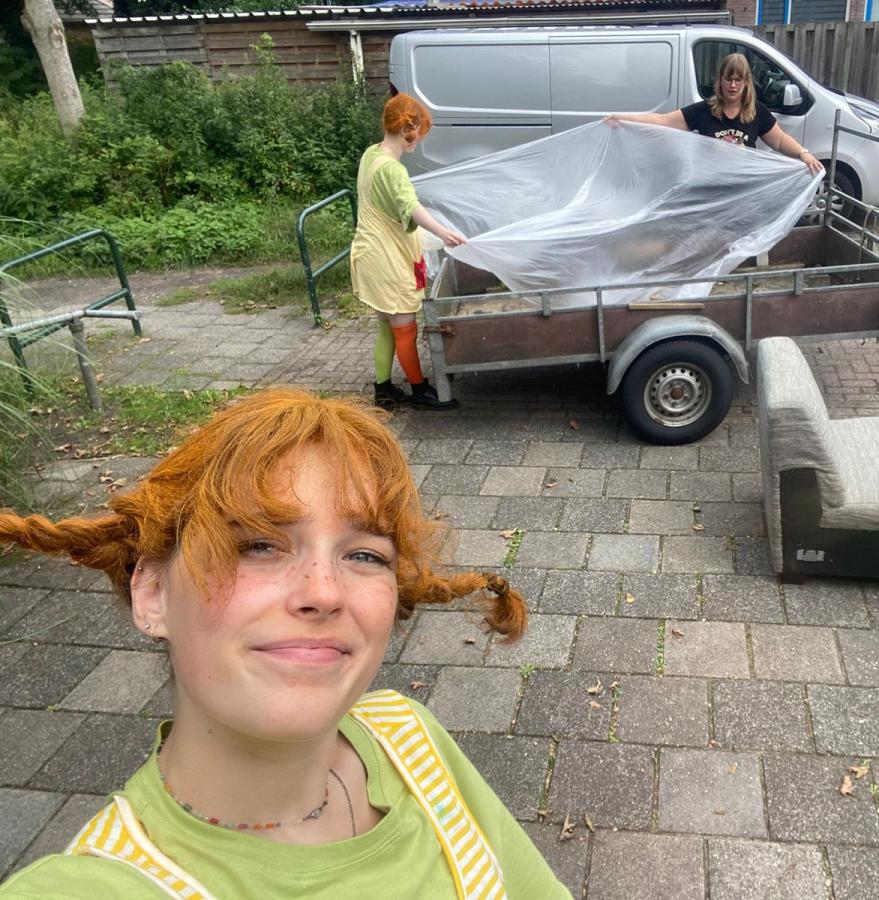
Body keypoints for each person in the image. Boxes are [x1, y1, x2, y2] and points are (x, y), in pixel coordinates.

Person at [0, 389, 570, 899]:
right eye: (258, 545)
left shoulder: (411, 739)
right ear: (152, 593)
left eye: (364, 555)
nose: (323, 592)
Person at [352, 93, 465, 412]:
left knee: (386, 326)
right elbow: (410, 206)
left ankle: (383, 391)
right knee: (404, 328)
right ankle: (419, 391)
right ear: (407, 129)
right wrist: (443, 232)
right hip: (385, 258)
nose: (420, 139)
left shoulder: (371, 154)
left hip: (368, 253)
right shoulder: (393, 170)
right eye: (420, 131)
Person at [604, 52, 825, 176]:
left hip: (745, 188)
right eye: (729, 79)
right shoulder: (704, 110)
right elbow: (664, 121)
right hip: (710, 188)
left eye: (738, 80)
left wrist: (803, 154)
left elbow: (780, 140)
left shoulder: (758, 112)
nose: (733, 85)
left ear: (746, 83)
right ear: (720, 80)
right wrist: (623, 119)